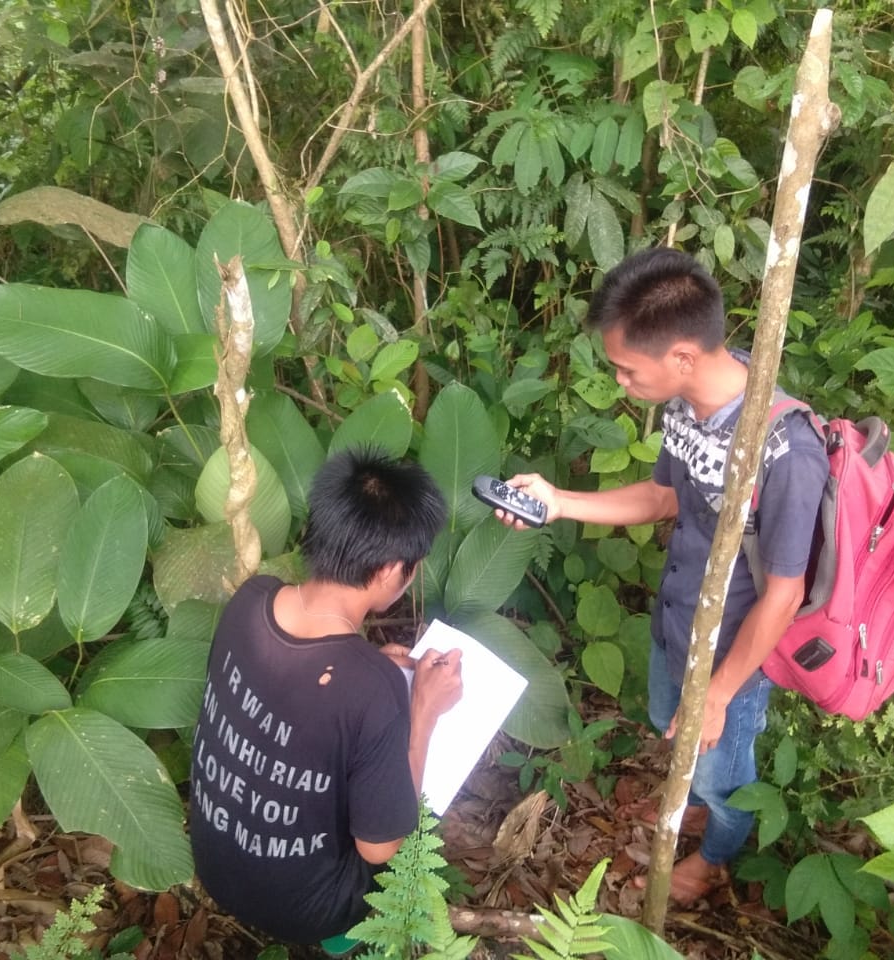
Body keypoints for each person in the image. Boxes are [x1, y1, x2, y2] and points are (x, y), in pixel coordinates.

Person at [499, 248, 828, 903]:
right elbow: (661, 499)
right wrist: (558, 502)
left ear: (681, 355)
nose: (619, 381)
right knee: (670, 725)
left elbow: (786, 592)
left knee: (726, 775)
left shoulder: (785, 450)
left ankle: (715, 856)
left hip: (735, 657)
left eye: (625, 368)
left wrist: (720, 693)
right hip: (677, 619)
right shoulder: (687, 406)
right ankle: (694, 798)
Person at [189, 448, 463, 948]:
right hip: (307, 910)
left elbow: (291, 694)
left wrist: (370, 664)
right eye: (413, 567)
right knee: (403, 829)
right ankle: (352, 943)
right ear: (389, 570)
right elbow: (381, 849)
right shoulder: (373, 689)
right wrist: (423, 711)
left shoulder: (250, 600)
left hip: (214, 863)